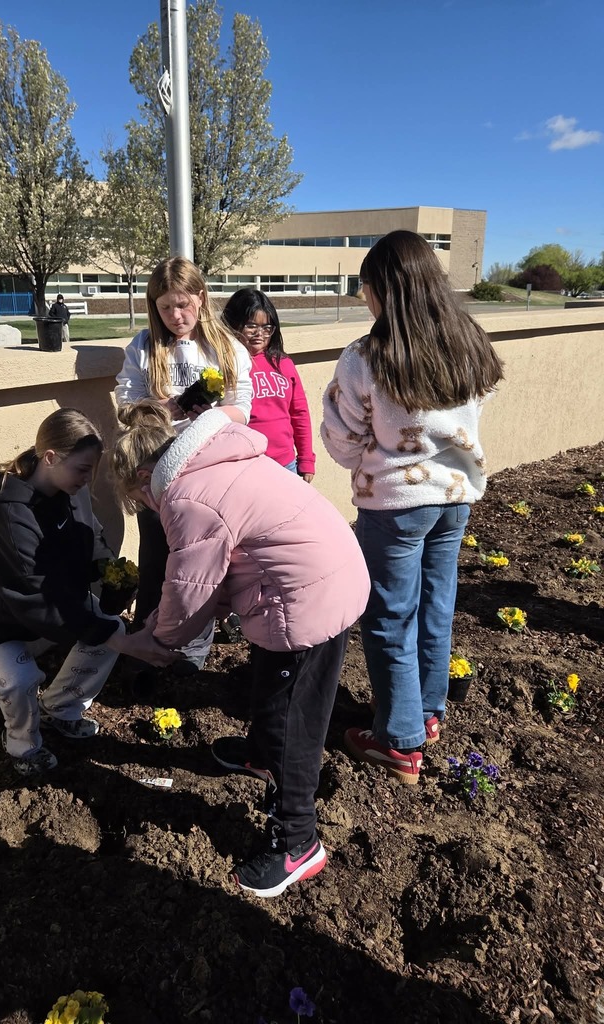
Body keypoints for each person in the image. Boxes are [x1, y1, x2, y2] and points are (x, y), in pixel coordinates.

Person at [109, 400, 370, 898]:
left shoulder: (188, 497)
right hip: (321, 578)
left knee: (291, 720)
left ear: (145, 474)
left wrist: (157, 642)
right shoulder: (222, 459)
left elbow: (192, 590)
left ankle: (297, 841)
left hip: (305, 599)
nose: (145, 504)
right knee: (270, 685)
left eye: (138, 495)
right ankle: (257, 756)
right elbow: (228, 558)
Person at [321, 230, 504, 785]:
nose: (363, 298)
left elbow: (341, 439)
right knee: (435, 604)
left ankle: (397, 743)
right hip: (454, 498)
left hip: (395, 504)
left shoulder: (366, 356)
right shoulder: (469, 341)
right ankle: (425, 714)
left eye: (365, 288)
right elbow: (484, 397)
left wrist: (377, 450)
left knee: (388, 617)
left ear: (384, 289)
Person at [0, 408, 170, 778]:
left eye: (92, 470)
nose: (88, 480)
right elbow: (33, 593)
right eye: (82, 469)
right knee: (22, 680)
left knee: (111, 630)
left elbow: (91, 536)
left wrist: (110, 575)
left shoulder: (71, 490)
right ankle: (23, 746)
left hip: (55, 598)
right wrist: (116, 640)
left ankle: (61, 709)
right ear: (51, 458)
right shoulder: (8, 514)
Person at [114, 256, 253, 680]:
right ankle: (149, 643)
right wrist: (159, 409)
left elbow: (243, 404)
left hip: (210, 469)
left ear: (201, 298)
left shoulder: (225, 346)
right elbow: (125, 403)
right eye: (165, 307)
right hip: (157, 471)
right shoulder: (142, 346)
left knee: (203, 559)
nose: (176, 316)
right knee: (157, 556)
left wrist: (208, 415)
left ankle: (192, 650)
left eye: (183, 305)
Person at [222, 288, 316, 481]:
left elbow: (299, 414)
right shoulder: (224, 365)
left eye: (267, 328)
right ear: (233, 324)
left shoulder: (283, 364)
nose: (260, 334)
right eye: (251, 326)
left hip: (286, 464)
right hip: (244, 467)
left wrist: (306, 459)